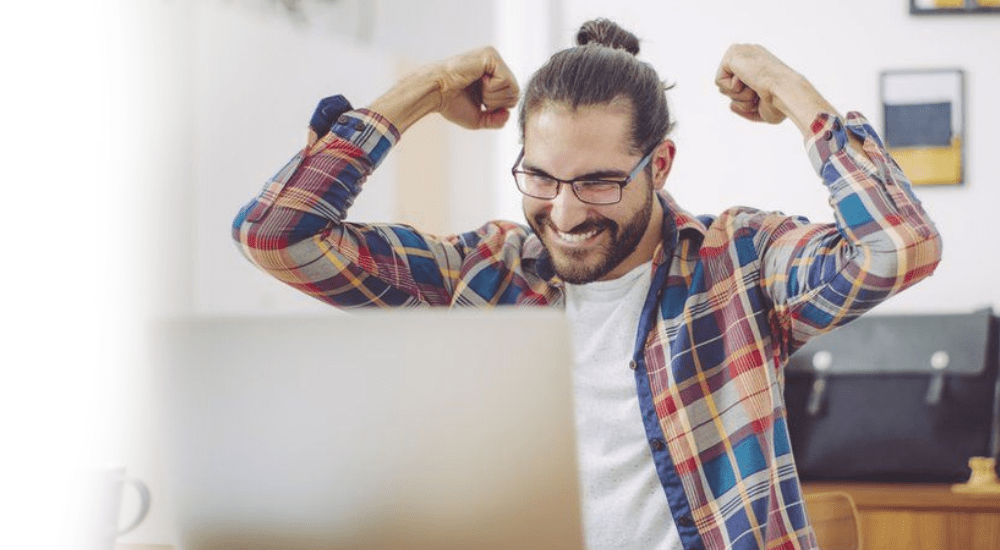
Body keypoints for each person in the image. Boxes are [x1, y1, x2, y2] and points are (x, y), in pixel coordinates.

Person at [233, 19, 941, 550]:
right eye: (540, 177)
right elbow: (279, 235)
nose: (565, 213)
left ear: (659, 166)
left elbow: (901, 246)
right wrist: (429, 86)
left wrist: (788, 89)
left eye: (599, 181)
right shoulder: (483, 275)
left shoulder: (741, 264)